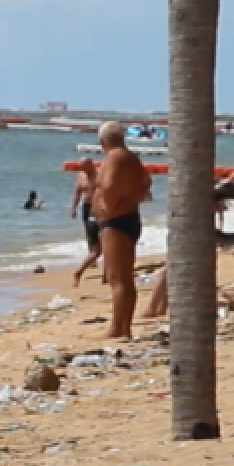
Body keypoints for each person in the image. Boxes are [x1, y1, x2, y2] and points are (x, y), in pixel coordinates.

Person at [92, 121, 152, 340]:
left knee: (117, 278)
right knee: (125, 278)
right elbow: (147, 181)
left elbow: (108, 185)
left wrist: (108, 205)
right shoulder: (131, 157)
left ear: (103, 140)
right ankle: (124, 326)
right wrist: (133, 199)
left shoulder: (114, 157)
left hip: (116, 221)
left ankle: (118, 328)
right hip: (129, 217)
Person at [69, 158, 101, 287]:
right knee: (95, 242)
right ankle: (83, 268)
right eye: (81, 168)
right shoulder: (81, 176)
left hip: (99, 209)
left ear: (91, 165)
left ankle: (106, 275)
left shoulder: (100, 175)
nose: (83, 171)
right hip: (87, 209)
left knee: (103, 244)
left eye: (85, 168)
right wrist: (73, 208)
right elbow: (78, 192)